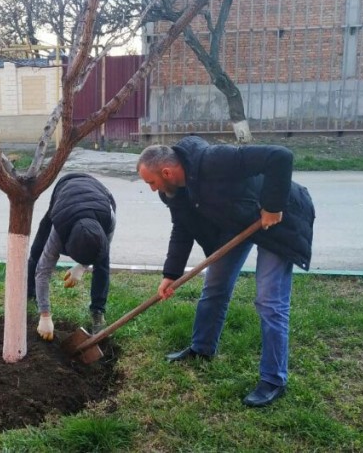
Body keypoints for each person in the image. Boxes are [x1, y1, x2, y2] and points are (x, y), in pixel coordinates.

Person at [137, 136, 315, 408]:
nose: (152, 189)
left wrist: (273, 205)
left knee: (270, 301)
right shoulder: (172, 191)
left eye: (151, 182)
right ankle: (202, 348)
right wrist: (170, 274)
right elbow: (182, 228)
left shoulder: (213, 160)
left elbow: (280, 156)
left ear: (167, 172)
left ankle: (273, 379)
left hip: (281, 217)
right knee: (215, 284)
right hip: (239, 221)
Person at [28, 173, 116, 341]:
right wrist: (45, 315)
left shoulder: (109, 219)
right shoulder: (59, 229)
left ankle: (98, 312)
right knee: (37, 251)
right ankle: (30, 294)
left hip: (100, 198)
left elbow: (103, 249)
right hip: (64, 194)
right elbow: (43, 271)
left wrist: (82, 266)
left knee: (102, 263)